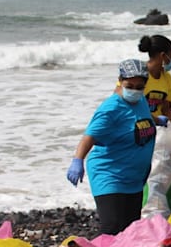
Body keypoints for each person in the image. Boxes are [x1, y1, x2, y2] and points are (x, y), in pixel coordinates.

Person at [66, 59, 157, 235]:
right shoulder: (110, 109)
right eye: (130, 85)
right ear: (120, 80)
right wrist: (77, 160)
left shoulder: (141, 101)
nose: (135, 90)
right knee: (112, 228)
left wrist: (158, 121)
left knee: (131, 230)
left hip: (134, 178)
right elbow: (88, 137)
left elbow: (143, 117)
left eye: (140, 87)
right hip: (110, 175)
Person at [138, 35, 171, 129]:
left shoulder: (167, 78)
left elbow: (166, 108)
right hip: (139, 127)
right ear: (163, 56)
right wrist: (155, 120)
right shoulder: (139, 74)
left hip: (157, 128)